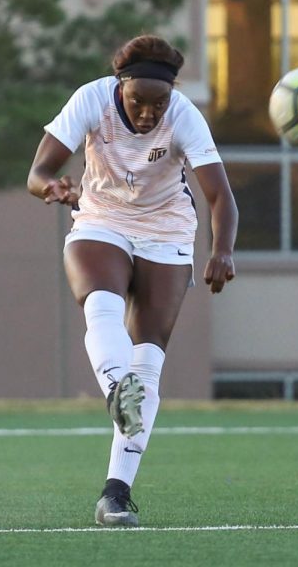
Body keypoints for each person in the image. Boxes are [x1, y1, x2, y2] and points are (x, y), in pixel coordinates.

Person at [26, 35, 238, 527]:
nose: (147, 112)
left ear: (170, 96)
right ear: (120, 88)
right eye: (137, 101)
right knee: (99, 302)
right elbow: (38, 171)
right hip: (100, 217)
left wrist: (222, 250)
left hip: (167, 231)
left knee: (148, 360)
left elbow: (220, 196)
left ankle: (115, 494)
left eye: (156, 103)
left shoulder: (183, 114)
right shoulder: (91, 99)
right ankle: (117, 387)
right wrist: (53, 186)